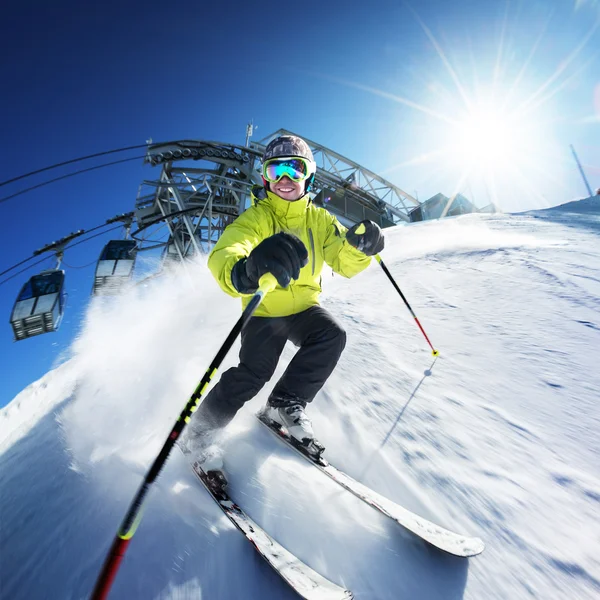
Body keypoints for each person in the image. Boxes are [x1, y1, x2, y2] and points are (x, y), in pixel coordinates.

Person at [184, 134, 384, 473]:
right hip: (263, 309)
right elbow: (228, 250)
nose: (285, 178)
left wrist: (360, 246)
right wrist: (242, 271)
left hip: (304, 306)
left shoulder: (320, 220)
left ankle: (284, 403)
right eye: (275, 170)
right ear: (265, 178)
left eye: (295, 168)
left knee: (331, 335)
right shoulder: (257, 218)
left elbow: (343, 262)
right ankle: (200, 435)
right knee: (253, 373)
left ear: (309, 176)